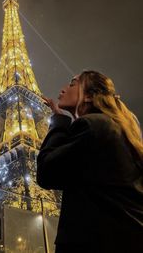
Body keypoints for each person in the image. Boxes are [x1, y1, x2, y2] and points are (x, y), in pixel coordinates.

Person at [36, 70, 143, 253]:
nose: (63, 89)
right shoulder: (117, 130)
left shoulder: (91, 126)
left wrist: (59, 122)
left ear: (88, 96)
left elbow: (47, 171)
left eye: (72, 83)